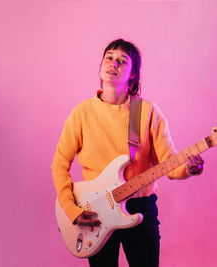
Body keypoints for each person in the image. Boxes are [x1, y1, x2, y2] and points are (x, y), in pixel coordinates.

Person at [51, 39, 204, 267]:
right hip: (96, 209)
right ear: (101, 65)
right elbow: (59, 164)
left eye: (122, 61)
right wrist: (72, 210)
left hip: (140, 208)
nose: (114, 63)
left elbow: (170, 164)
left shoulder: (147, 112)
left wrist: (187, 168)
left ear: (133, 75)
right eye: (110, 58)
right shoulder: (81, 113)